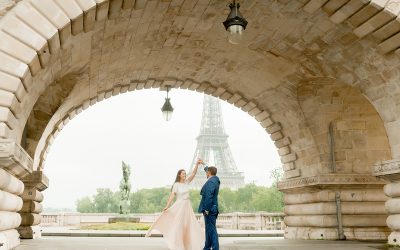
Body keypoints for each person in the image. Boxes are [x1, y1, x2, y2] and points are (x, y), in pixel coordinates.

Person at [146, 159, 205, 250]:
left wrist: (197, 164)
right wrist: (167, 206)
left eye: (185, 174)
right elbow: (172, 196)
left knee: (188, 226)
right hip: (179, 206)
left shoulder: (186, 182)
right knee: (179, 226)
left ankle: (187, 245)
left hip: (187, 207)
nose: (185, 175)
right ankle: (178, 244)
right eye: (183, 174)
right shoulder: (176, 185)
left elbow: (193, 174)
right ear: (179, 175)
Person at [198, 166, 220, 250]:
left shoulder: (210, 182)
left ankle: (215, 248)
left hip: (209, 209)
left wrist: (207, 209)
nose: (206, 173)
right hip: (213, 207)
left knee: (212, 230)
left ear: (209, 172)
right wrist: (204, 165)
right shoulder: (215, 179)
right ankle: (207, 247)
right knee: (208, 229)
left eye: (207, 171)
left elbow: (209, 196)